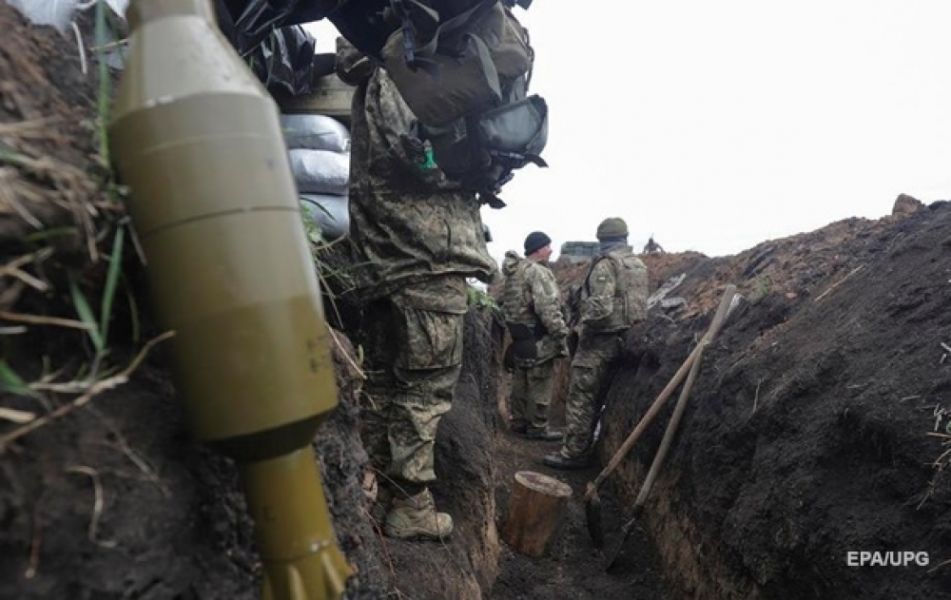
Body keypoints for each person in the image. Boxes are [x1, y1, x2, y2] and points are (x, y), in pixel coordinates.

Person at [338, 42, 495, 540]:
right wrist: (478, 165)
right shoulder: (401, 72)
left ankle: (374, 492)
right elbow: (421, 156)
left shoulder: (377, 75)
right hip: (425, 256)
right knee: (423, 390)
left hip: (386, 259)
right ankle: (411, 504)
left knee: (385, 384)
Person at [543, 217, 648, 469]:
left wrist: (579, 321)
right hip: (627, 339)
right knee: (601, 399)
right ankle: (590, 447)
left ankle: (573, 453)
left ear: (602, 239)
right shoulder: (637, 264)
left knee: (581, 398)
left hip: (599, 342)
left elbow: (601, 308)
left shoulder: (606, 265)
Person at [500, 231, 569, 441]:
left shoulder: (515, 272)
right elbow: (547, 307)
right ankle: (538, 427)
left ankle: (519, 422)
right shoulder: (538, 272)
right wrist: (560, 333)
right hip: (539, 338)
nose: (551, 250)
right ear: (538, 249)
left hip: (520, 337)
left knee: (520, 382)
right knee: (541, 383)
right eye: (548, 246)